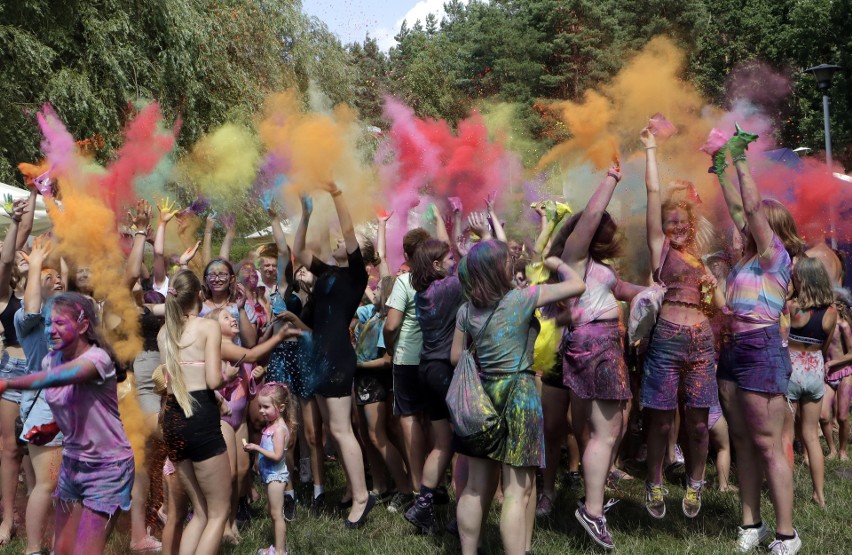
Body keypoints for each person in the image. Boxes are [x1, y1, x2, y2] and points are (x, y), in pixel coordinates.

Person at [451, 241, 585, 555]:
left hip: (482, 397)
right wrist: (556, 264)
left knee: (473, 486)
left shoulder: (466, 310)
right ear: (499, 269)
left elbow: (456, 356)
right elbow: (578, 284)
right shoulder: (523, 299)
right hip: (519, 396)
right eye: (507, 260)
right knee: (517, 491)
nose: (512, 262)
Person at [710, 125, 803, 554]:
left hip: (761, 349)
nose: (745, 223)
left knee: (768, 444)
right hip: (733, 349)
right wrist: (717, 168)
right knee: (744, 439)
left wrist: (739, 156)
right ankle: (752, 525)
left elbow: (748, 207)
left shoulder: (775, 257)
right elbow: (737, 205)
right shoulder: (747, 258)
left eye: (755, 221)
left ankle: (787, 534)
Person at [548, 166, 645, 551]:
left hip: (603, 344)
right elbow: (589, 216)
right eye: (601, 224)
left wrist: (656, 290)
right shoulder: (574, 256)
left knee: (609, 428)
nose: (605, 226)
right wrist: (610, 178)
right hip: (595, 344)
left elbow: (619, 288)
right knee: (606, 431)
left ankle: (593, 499)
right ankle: (592, 511)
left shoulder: (596, 267)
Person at [0, 292, 134, 555]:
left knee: (84, 550)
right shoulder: (53, 358)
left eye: (60, 323)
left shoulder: (97, 360)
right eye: (49, 323)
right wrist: (52, 428)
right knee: (61, 549)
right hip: (72, 465)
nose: (51, 330)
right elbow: (74, 404)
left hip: (107, 466)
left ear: (84, 325)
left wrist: (9, 383)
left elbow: (59, 380)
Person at [640, 127, 719, 519]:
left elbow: (718, 307)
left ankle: (695, 483)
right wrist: (652, 148)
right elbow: (654, 196)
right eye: (669, 222)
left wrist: (713, 287)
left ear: (691, 223)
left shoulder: (701, 257)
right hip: (667, 340)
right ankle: (654, 484)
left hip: (702, 342)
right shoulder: (661, 248)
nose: (675, 228)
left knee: (699, 423)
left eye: (681, 223)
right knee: (659, 421)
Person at [293, 186, 377, 527]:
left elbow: (346, 231)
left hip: (339, 356)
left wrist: (338, 193)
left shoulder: (356, 276)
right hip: (321, 356)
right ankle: (352, 490)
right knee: (333, 427)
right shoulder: (328, 273)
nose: (339, 242)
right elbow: (298, 250)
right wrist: (307, 214)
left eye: (347, 242)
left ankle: (361, 497)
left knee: (342, 430)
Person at [158, 269, 231, 555]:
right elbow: (213, 381)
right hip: (200, 415)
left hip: (174, 419)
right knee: (217, 512)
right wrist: (229, 375)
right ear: (200, 295)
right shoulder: (207, 327)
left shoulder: (164, 333)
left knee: (199, 511)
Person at [404, 239, 462, 533]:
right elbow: (482, 267)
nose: (454, 261)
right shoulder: (450, 287)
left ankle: (423, 505)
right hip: (444, 371)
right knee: (463, 444)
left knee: (442, 444)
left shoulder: (422, 292)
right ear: (436, 265)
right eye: (449, 258)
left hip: (426, 368)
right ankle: (463, 515)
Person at [14, 235, 65, 555]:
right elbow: (33, 305)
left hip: (70, 408)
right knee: (46, 485)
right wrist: (34, 266)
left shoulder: (63, 310)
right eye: (49, 276)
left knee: (64, 487)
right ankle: (33, 550)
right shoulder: (25, 316)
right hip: (44, 410)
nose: (57, 279)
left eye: (57, 274)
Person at [383, 226, 431, 511]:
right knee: (434, 420)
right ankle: (436, 481)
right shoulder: (441, 280)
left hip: (408, 358)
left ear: (406, 254)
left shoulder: (405, 281)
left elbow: (391, 325)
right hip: (435, 358)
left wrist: (390, 345)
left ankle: (417, 487)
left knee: (410, 420)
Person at [783, 256, 837, 507]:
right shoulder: (832, 312)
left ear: (802, 280)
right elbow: (824, 347)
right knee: (811, 437)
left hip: (791, 371)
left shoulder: (791, 307)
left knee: (785, 436)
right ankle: (820, 496)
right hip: (814, 370)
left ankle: (786, 494)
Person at [0, 198, 31, 547]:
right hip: (11, 370)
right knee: (9, 450)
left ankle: (40, 515)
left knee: (40, 449)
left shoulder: (47, 290)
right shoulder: (4, 296)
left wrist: (40, 194)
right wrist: (13, 222)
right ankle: (8, 519)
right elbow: (7, 258)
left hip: (43, 374)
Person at [244, 382, 296, 555]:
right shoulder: (271, 426)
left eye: (266, 407)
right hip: (269, 475)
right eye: (260, 406)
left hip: (276, 477)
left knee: (276, 515)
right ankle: (276, 547)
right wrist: (258, 461)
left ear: (280, 407)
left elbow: (277, 456)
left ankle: (280, 551)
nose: (261, 411)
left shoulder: (279, 430)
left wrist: (256, 449)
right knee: (272, 512)